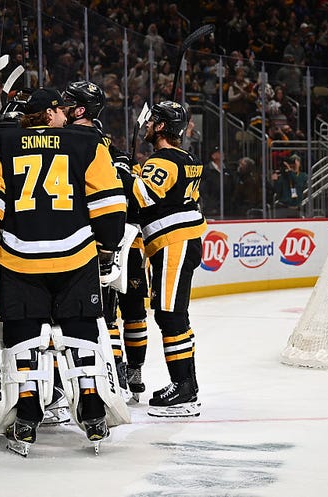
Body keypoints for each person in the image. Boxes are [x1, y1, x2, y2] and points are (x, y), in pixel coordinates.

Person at [0, 88, 128, 455]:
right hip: (76, 255)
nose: (65, 115)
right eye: (60, 110)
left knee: (24, 334)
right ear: (49, 114)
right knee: (81, 326)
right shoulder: (87, 142)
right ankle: (92, 404)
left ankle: (29, 411)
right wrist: (109, 245)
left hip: (20, 257)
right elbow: (110, 205)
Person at [63, 80, 149, 403]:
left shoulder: (80, 148)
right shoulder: (110, 154)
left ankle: (121, 373)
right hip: (126, 243)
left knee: (114, 313)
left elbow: (137, 200)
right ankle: (129, 374)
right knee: (131, 312)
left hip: (106, 243)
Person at [127, 101, 206, 417]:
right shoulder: (187, 159)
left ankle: (184, 390)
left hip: (174, 244)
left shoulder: (163, 162)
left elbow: (142, 197)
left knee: (171, 315)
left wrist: (123, 173)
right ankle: (188, 383)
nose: (146, 125)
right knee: (174, 315)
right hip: (182, 242)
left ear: (160, 127)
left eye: (152, 121)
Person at [272, 154, 308, 218]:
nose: (292, 165)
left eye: (295, 162)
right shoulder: (284, 176)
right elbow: (278, 191)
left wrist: (291, 171)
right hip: (284, 207)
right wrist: (276, 181)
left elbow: (298, 184)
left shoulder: (303, 176)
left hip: (296, 208)